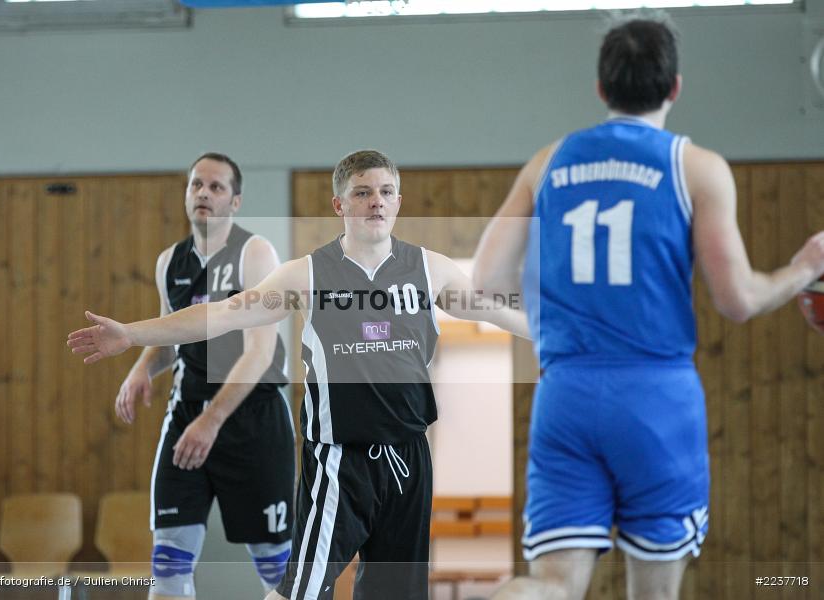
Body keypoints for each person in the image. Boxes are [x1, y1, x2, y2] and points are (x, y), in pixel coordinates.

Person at [69, 149, 529, 600]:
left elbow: (501, 312)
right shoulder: (307, 275)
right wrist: (131, 334)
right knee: (298, 592)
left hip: (409, 457)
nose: (377, 202)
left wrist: (570, 337)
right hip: (339, 460)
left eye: (387, 192)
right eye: (363, 192)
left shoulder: (430, 269)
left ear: (399, 201)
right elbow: (224, 313)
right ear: (340, 205)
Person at [472, 14, 824, 600]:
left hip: (567, 393)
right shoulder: (697, 169)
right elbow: (738, 300)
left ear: (602, 89)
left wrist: (562, 319)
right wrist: (805, 268)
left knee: (554, 584)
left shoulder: (548, 162)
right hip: (657, 400)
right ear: (675, 86)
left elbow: (485, 279)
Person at [116, 152, 296, 599]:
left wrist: (212, 421)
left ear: (235, 202)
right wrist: (141, 368)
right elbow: (170, 335)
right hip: (188, 414)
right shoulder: (169, 263)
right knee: (168, 562)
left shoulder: (255, 254)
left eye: (216, 187)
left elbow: (261, 351)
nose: (203, 193)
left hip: (252, 419)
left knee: (277, 567)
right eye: (197, 184)